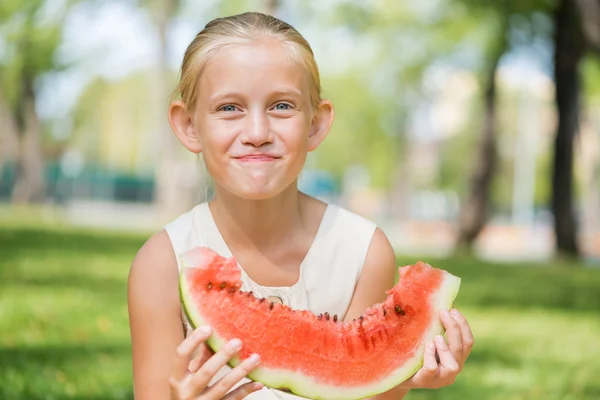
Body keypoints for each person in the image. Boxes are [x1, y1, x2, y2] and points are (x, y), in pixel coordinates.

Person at [127, 11, 473, 400]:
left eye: (281, 107)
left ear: (316, 124)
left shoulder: (363, 253)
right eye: (229, 108)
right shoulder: (162, 264)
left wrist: (399, 372)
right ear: (189, 126)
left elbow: (355, 374)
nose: (257, 133)